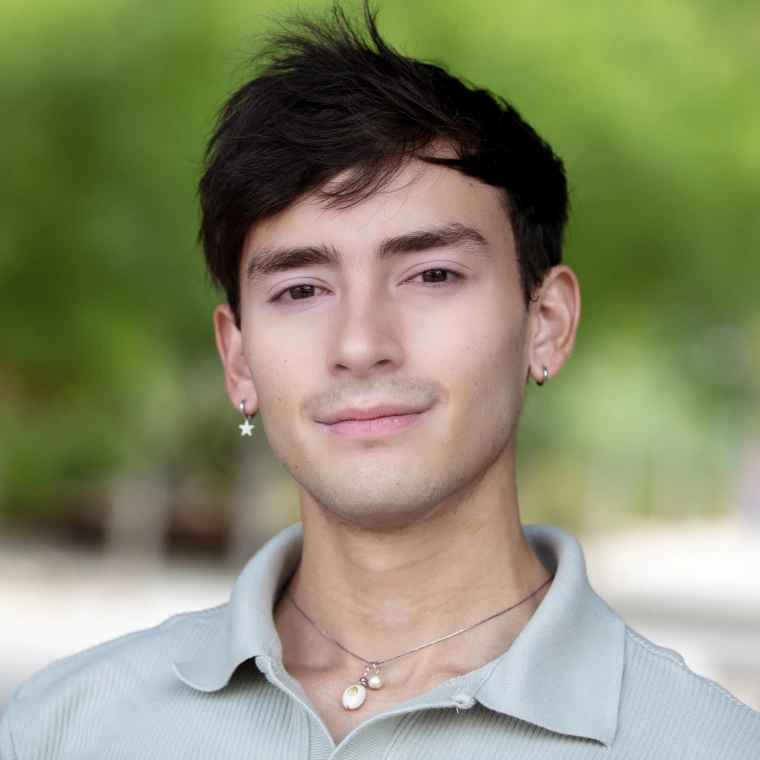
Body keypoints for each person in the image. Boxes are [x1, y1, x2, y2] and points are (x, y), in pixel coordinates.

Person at [2, 3, 759, 758]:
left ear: (547, 323)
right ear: (239, 361)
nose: (361, 345)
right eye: (300, 289)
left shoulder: (706, 745)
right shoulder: (63, 727)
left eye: (431, 274)